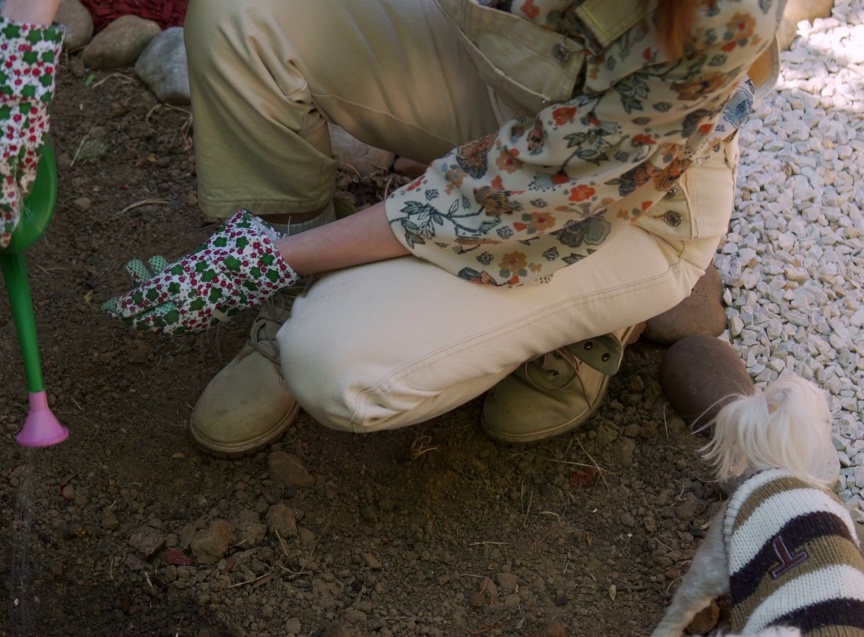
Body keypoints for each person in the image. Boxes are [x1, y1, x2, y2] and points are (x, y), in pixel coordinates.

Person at [102, 0, 782, 457]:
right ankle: (294, 293)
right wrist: (19, 33)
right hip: (505, 77)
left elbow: (518, 192)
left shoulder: (726, 11)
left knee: (333, 364)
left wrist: (272, 256)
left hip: (627, 196)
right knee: (241, 14)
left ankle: (596, 320)